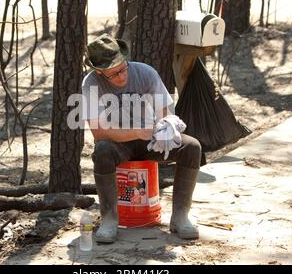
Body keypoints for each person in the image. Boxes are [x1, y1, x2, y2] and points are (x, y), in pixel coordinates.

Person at [82, 34, 202, 243]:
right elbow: (99, 132)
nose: (121, 76)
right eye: (113, 74)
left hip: (151, 139)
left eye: (123, 68)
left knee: (192, 147)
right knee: (102, 150)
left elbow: (164, 113)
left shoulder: (145, 73)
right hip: (117, 143)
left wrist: (166, 129)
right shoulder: (90, 83)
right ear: (99, 72)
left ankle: (180, 216)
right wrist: (137, 132)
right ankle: (109, 219)